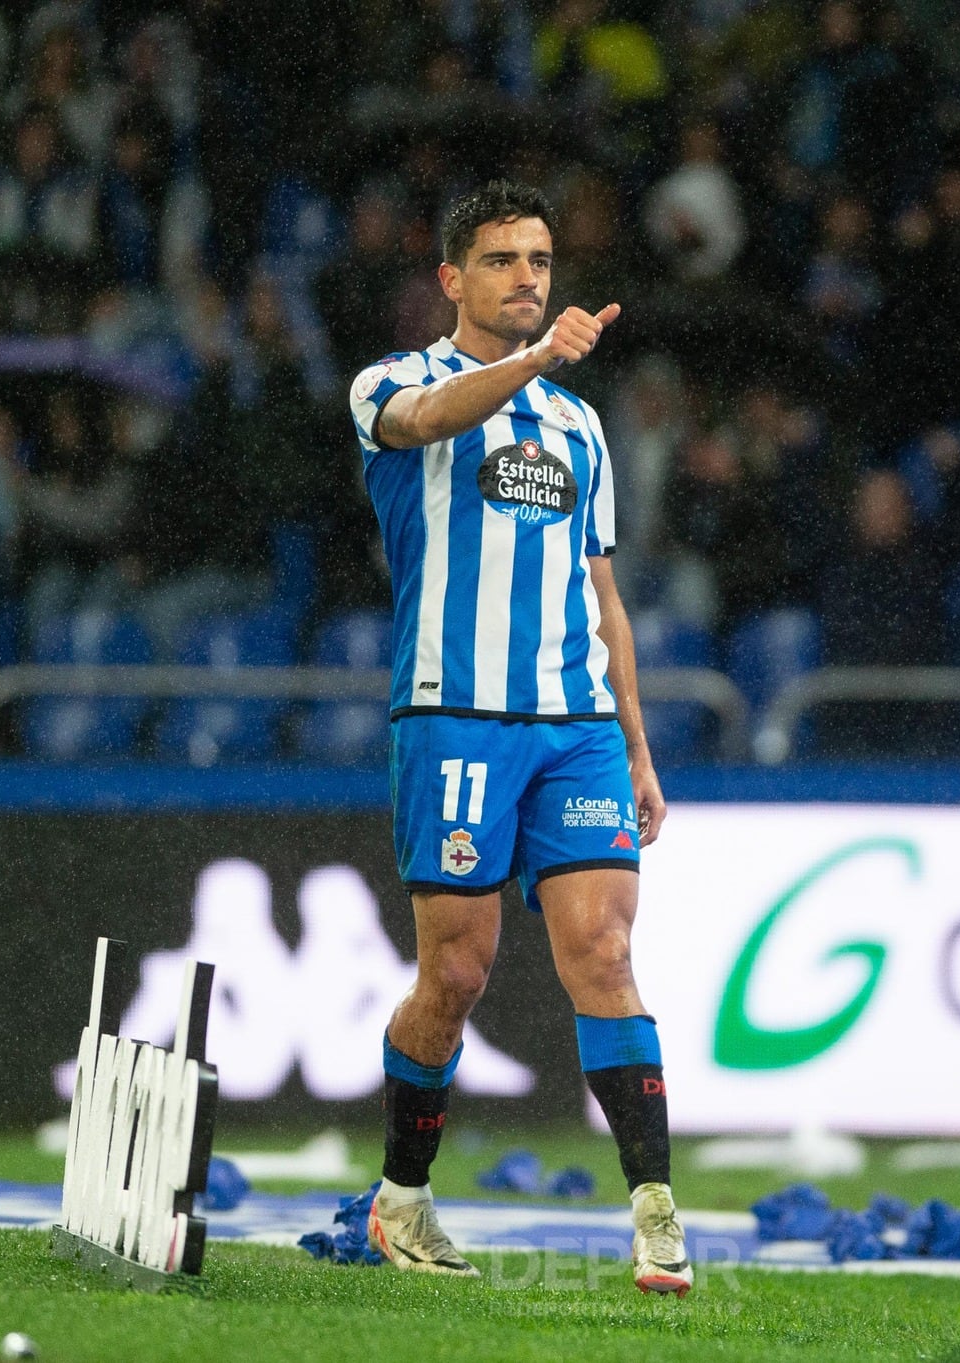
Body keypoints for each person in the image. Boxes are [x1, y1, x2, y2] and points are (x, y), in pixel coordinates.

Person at [346, 181, 690, 1294]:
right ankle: (400, 1198)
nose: (527, 279)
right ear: (452, 279)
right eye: (501, 260)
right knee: (456, 970)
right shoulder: (393, 383)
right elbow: (437, 424)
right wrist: (538, 359)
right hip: (455, 714)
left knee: (602, 954)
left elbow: (604, 594)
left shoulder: (578, 428)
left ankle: (655, 1215)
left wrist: (636, 746)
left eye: (539, 259)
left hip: (575, 727)